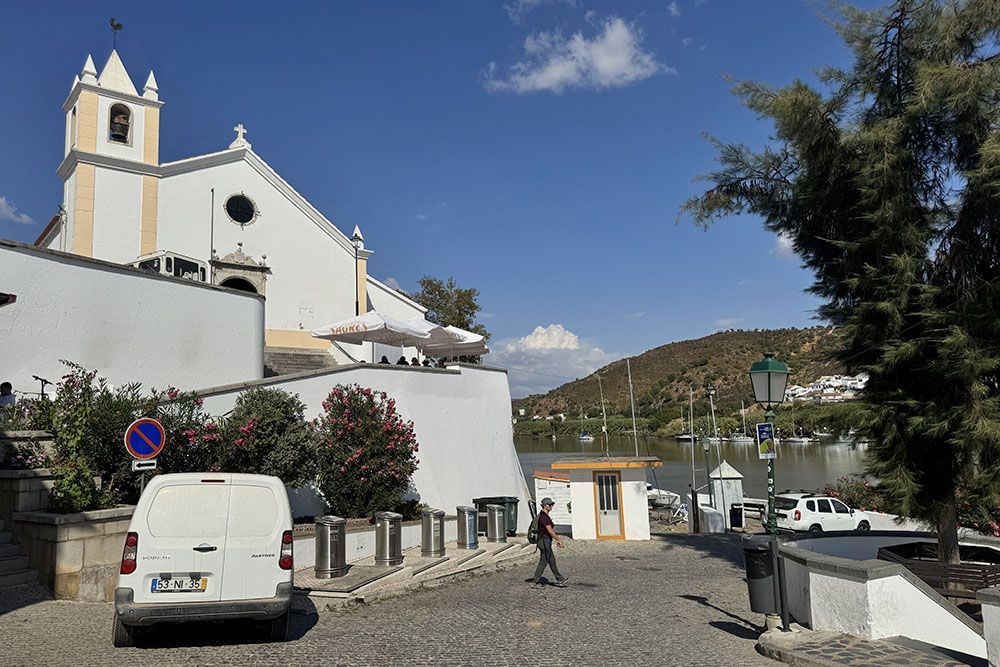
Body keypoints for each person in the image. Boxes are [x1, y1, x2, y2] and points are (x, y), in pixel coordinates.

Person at [531, 497, 568, 588]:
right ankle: (535, 582)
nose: (552, 506)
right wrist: (559, 540)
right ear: (545, 505)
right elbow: (550, 531)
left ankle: (560, 579)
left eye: (552, 504)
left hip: (544, 540)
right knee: (544, 561)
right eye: (550, 505)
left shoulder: (543, 515)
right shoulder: (544, 517)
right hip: (544, 541)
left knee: (551, 560)